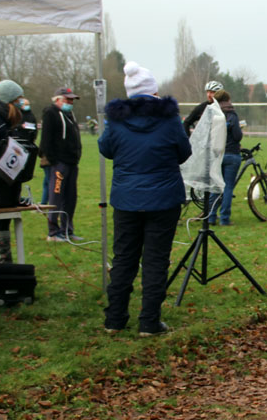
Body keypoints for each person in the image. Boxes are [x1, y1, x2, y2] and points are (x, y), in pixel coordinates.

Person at [99, 61, 192, 337]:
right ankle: (149, 322)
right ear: (153, 91)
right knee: (155, 260)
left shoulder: (117, 120)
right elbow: (183, 151)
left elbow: (106, 148)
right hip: (163, 199)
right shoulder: (169, 118)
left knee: (124, 259)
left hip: (127, 198)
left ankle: (114, 319)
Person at [0, 80, 25, 263]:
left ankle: (4, 264)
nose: (21, 102)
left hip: (2, 179)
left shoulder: (3, 118)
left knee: (3, 220)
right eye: (18, 99)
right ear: (9, 99)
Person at [40, 87, 83, 242]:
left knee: (71, 197)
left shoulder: (70, 114)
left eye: (72, 100)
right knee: (56, 197)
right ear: (58, 99)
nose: (70, 103)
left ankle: (67, 230)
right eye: (67, 99)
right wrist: (52, 160)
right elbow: (46, 139)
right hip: (59, 163)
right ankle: (53, 232)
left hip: (72, 162)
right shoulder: (51, 113)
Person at [208, 89, 243, 226]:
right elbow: (237, 136)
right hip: (231, 154)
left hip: (216, 154)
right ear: (228, 99)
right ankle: (224, 218)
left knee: (216, 187)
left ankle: (210, 217)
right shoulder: (231, 114)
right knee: (228, 187)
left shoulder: (212, 113)